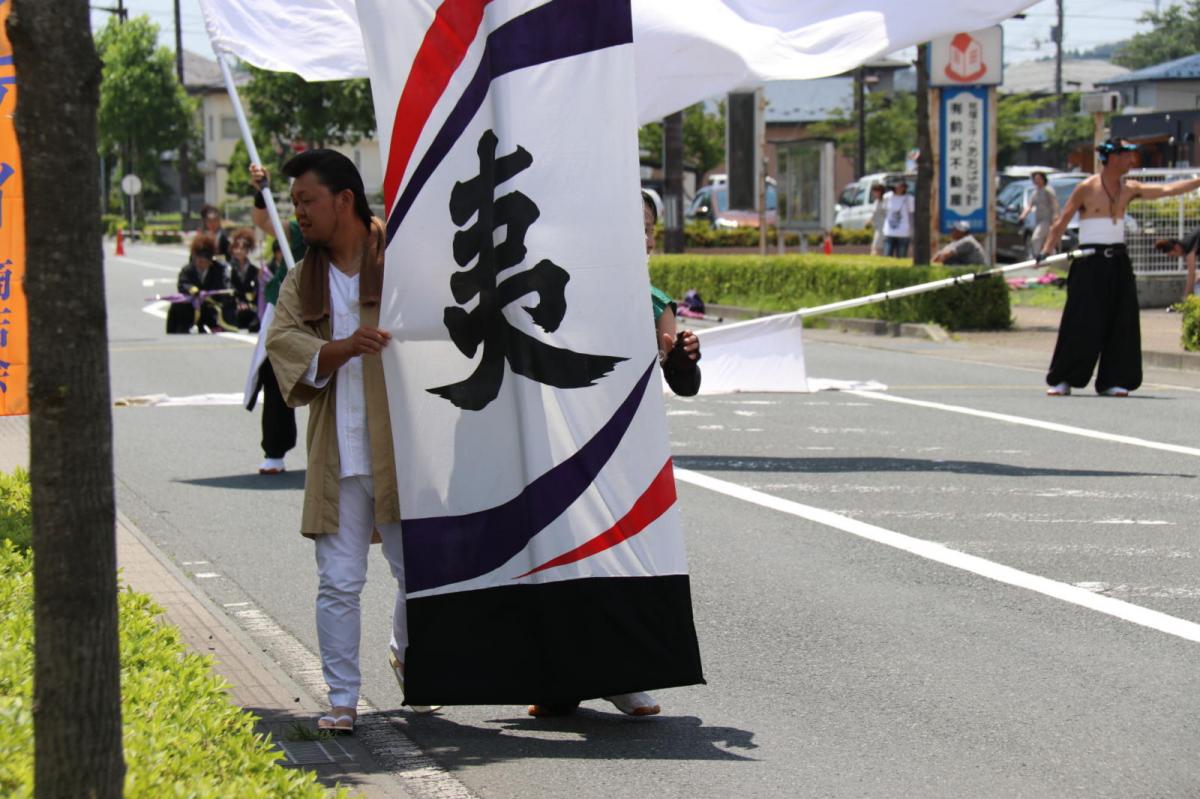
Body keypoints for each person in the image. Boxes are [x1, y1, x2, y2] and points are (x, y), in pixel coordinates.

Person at [265, 149, 436, 732]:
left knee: (419, 574)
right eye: (293, 205)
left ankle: (407, 654)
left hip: (406, 451)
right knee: (338, 581)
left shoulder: (401, 257)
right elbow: (281, 344)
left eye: (307, 201)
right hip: (339, 448)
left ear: (344, 200)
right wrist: (340, 348)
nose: (299, 215)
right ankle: (342, 698)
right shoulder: (302, 278)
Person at [525, 193, 701, 720]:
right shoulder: (562, 287)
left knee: (618, 559)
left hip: (628, 456)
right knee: (562, 560)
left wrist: (684, 356)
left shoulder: (655, 302)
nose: (646, 238)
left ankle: (624, 677)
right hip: (563, 445)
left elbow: (684, 385)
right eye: (637, 226)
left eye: (651, 228)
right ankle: (559, 682)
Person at [1040, 139, 1200, 397]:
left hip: (1118, 259)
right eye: (1126, 156)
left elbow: (1168, 189)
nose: (1131, 161)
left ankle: (1114, 379)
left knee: (1121, 320)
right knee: (1081, 320)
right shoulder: (1087, 188)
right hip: (1089, 260)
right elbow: (1062, 221)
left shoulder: (1129, 188)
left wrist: (1197, 181)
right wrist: (1046, 250)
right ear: (1112, 158)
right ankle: (1064, 378)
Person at [247, 239, 297, 476]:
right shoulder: (298, 232)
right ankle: (275, 451)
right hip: (286, 316)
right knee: (275, 375)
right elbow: (264, 218)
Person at [165, 232, 232, 334]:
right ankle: (181, 328)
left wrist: (207, 294)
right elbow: (182, 283)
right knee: (177, 306)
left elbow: (221, 287)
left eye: (203, 261)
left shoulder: (218, 270)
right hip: (191, 305)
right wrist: (192, 289)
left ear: (210, 261)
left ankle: (217, 326)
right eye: (197, 259)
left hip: (210, 305)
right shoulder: (188, 269)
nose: (199, 263)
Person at [226, 227, 262, 331]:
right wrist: (237, 302)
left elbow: (256, 291)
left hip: (250, 306)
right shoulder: (227, 268)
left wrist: (249, 304)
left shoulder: (254, 270)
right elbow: (227, 288)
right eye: (236, 248)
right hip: (233, 306)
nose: (238, 251)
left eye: (242, 248)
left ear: (248, 250)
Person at [1018, 171, 1059, 259]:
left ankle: (1036, 256)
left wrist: (1055, 216)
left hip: (1047, 220)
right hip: (1039, 220)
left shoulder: (1048, 190)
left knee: (1036, 238)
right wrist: (1023, 216)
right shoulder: (1035, 192)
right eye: (1035, 179)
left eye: (1039, 179)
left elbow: (1054, 203)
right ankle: (1051, 259)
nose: (1037, 181)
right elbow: (1030, 205)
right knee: (1046, 242)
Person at [1153, 228, 1200, 299]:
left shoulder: (1188, 246)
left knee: (1197, 283)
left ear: (1176, 247)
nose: (1178, 257)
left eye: (1173, 255)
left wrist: (1186, 296)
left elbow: (1191, 273)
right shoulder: (1188, 243)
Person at [881, 179, 915, 259]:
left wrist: (911, 230)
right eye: (898, 186)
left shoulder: (909, 198)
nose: (899, 188)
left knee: (902, 257)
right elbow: (884, 209)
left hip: (903, 231)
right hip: (889, 231)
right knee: (887, 256)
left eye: (902, 187)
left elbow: (911, 212)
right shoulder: (887, 197)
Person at [867, 183, 887, 256]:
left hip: (882, 227)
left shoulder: (884, 201)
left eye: (876, 191)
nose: (874, 193)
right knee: (876, 246)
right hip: (877, 226)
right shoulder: (876, 202)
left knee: (875, 246)